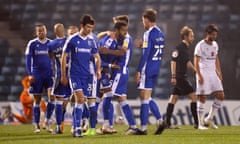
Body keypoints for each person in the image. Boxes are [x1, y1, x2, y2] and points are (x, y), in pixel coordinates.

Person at [61, 14, 101, 137]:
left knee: (83, 102)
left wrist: (98, 69)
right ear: (82, 26)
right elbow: (64, 57)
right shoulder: (72, 39)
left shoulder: (91, 41)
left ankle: (76, 126)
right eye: (88, 27)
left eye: (91, 28)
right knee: (80, 99)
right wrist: (63, 75)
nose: (90, 30)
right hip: (75, 74)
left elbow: (97, 57)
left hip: (87, 76)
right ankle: (77, 129)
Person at [98, 21, 139, 135]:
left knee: (108, 95)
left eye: (126, 30)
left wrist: (107, 51)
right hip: (118, 72)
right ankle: (133, 126)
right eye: (123, 30)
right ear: (116, 30)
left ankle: (107, 125)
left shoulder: (126, 39)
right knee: (122, 100)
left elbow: (122, 52)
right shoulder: (117, 39)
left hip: (120, 72)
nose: (125, 32)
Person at [135, 8, 165, 135]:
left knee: (144, 98)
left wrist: (138, 71)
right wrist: (144, 45)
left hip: (147, 69)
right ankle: (160, 120)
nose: (143, 23)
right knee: (147, 96)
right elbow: (155, 49)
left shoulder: (148, 33)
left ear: (147, 20)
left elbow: (146, 54)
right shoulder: (161, 33)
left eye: (143, 21)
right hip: (156, 67)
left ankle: (143, 128)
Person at [165, 26, 199, 129]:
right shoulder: (180, 48)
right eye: (191, 36)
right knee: (193, 97)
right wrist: (174, 76)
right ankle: (197, 123)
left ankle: (167, 123)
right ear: (185, 36)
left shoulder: (185, 48)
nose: (193, 38)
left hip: (180, 77)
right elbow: (173, 61)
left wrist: (194, 70)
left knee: (173, 99)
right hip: (180, 77)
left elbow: (186, 62)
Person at [25, 24, 54, 133]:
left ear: (46, 31)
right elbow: (28, 60)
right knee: (37, 100)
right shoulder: (32, 44)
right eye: (39, 31)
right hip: (37, 74)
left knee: (52, 97)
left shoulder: (51, 43)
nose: (41, 32)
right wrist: (30, 74)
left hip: (49, 74)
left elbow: (55, 58)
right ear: (36, 33)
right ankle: (37, 125)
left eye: (43, 30)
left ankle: (46, 121)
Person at [194, 24, 224, 130]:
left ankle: (209, 118)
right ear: (207, 33)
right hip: (203, 73)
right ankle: (200, 124)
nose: (214, 36)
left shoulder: (215, 44)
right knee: (202, 97)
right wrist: (198, 74)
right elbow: (196, 61)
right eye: (213, 34)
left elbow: (216, 58)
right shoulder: (200, 45)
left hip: (213, 74)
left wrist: (219, 72)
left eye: (215, 35)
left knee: (221, 95)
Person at [48, 23, 72, 134]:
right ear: (65, 31)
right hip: (72, 75)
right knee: (70, 101)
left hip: (59, 75)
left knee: (58, 101)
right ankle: (81, 124)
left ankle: (58, 127)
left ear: (55, 32)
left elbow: (51, 57)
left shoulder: (51, 44)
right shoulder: (70, 41)